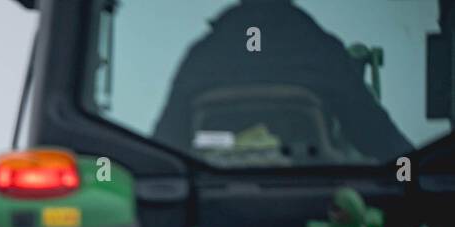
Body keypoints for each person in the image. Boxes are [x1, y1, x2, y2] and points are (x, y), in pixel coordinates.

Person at [152, 0, 411, 162]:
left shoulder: (202, 56)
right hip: (317, 217)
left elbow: (165, 150)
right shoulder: (322, 51)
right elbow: (380, 140)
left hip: (214, 225)